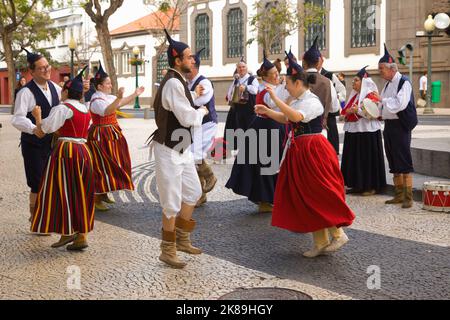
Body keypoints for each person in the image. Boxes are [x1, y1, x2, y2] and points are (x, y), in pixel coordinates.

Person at [255, 54, 355, 258]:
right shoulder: (299, 100)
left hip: (313, 150)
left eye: (288, 84)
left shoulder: (312, 101)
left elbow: (295, 117)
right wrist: (267, 111)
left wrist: (275, 99)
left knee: (318, 192)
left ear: (298, 83)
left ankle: (338, 233)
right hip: (300, 150)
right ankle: (320, 241)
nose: (286, 88)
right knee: (305, 194)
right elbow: (285, 118)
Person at [148, 29, 209, 269]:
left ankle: (182, 239)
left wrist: (193, 94)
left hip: (182, 149)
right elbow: (186, 117)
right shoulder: (173, 82)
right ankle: (167, 249)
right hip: (169, 151)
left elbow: (180, 102)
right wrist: (202, 111)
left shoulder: (178, 82)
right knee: (171, 202)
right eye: (188, 56)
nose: (192, 60)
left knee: (193, 192)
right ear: (177, 61)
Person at [30, 66, 95, 250]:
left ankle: (67, 232)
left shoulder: (63, 108)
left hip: (66, 152)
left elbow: (43, 131)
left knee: (61, 191)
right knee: (81, 192)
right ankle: (81, 235)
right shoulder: (85, 110)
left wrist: (38, 117)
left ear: (66, 91)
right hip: (84, 152)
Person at [226, 51, 287, 213]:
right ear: (265, 76)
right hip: (268, 127)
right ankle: (267, 198)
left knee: (268, 163)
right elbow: (276, 106)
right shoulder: (267, 90)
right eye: (273, 74)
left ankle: (269, 198)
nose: (276, 76)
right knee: (267, 164)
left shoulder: (272, 87)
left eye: (277, 73)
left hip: (268, 126)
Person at [11, 48, 62, 224]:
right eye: (41, 68)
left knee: (51, 182)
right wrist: (33, 128)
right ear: (31, 71)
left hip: (52, 144)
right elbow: (17, 118)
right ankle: (36, 219)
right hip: (33, 145)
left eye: (47, 66)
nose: (47, 70)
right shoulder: (25, 92)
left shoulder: (56, 88)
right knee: (37, 183)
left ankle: (47, 216)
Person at [87, 62, 144, 211]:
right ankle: (96, 196)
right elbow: (107, 111)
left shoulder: (106, 96)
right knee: (102, 165)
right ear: (99, 86)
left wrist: (135, 94)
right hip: (101, 136)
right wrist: (118, 98)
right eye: (107, 83)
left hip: (112, 133)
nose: (110, 85)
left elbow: (119, 102)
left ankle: (104, 192)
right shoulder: (96, 100)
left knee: (115, 163)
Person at [378, 44, 418, 209]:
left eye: (381, 69)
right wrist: (378, 109)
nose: (380, 72)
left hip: (401, 126)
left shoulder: (404, 82)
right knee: (393, 159)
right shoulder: (387, 84)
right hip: (389, 125)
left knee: (403, 159)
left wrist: (382, 102)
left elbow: (399, 104)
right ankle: (398, 194)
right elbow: (384, 105)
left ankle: (408, 197)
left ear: (391, 68)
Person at [341, 66, 386, 196]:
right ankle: (356, 184)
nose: (353, 83)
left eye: (355, 80)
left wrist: (357, 111)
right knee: (355, 158)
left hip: (368, 132)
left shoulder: (371, 95)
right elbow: (345, 111)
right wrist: (347, 113)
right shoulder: (355, 96)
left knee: (367, 159)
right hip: (354, 131)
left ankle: (370, 186)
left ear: (364, 82)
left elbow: (374, 113)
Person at [185, 48, 218, 207]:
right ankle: (201, 194)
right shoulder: (188, 83)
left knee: (195, 156)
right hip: (195, 124)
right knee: (191, 157)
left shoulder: (204, 82)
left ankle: (210, 176)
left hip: (207, 123)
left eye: (189, 65)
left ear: (194, 67)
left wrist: (185, 99)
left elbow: (199, 103)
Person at [224, 56, 259, 152]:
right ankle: (242, 150)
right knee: (240, 129)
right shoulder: (236, 79)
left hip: (249, 109)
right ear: (237, 69)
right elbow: (230, 92)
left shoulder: (252, 79)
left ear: (246, 68)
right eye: (239, 67)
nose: (241, 69)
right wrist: (230, 98)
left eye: (243, 67)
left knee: (250, 129)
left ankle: (251, 149)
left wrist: (246, 87)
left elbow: (256, 90)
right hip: (238, 109)